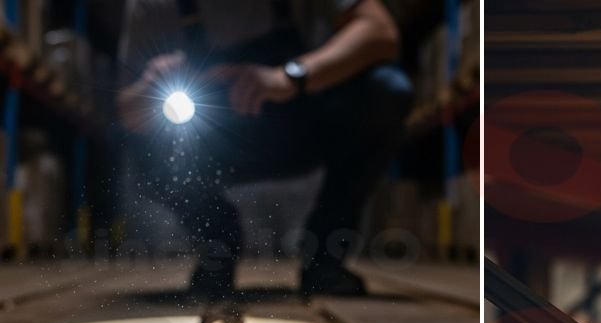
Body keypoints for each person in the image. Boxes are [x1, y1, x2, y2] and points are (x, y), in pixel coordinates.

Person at [116, 0, 413, 297]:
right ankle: (217, 242)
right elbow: (124, 108)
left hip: (302, 122)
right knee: (132, 136)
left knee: (385, 92)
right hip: (209, 141)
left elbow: (380, 32)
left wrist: (291, 76)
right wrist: (150, 87)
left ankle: (325, 255)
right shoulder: (151, 5)